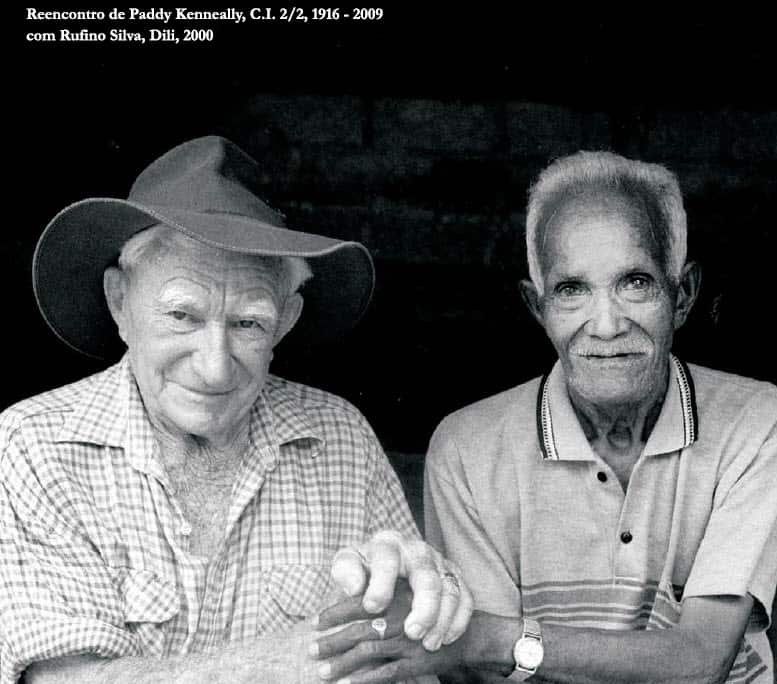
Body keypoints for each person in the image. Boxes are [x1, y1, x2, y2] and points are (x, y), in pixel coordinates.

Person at [0, 136, 472, 684]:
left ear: (287, 319)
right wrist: (289, 662)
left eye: (249, 323)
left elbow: (404, 661)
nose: (216, 368)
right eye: (182, 315)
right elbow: (63, 680)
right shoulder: (33, 445)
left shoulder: (339, 435)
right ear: (119, 302)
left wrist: (428, 603)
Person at [311, 151, 777, 683]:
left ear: (684, 294)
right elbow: (485, 677)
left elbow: (699, 661)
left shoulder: (757, 423)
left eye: (636, 283)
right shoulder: (467, 450)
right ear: (538, 308)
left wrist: (492, 638)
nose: (605, 325)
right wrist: (481, 649)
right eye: (571, 290)